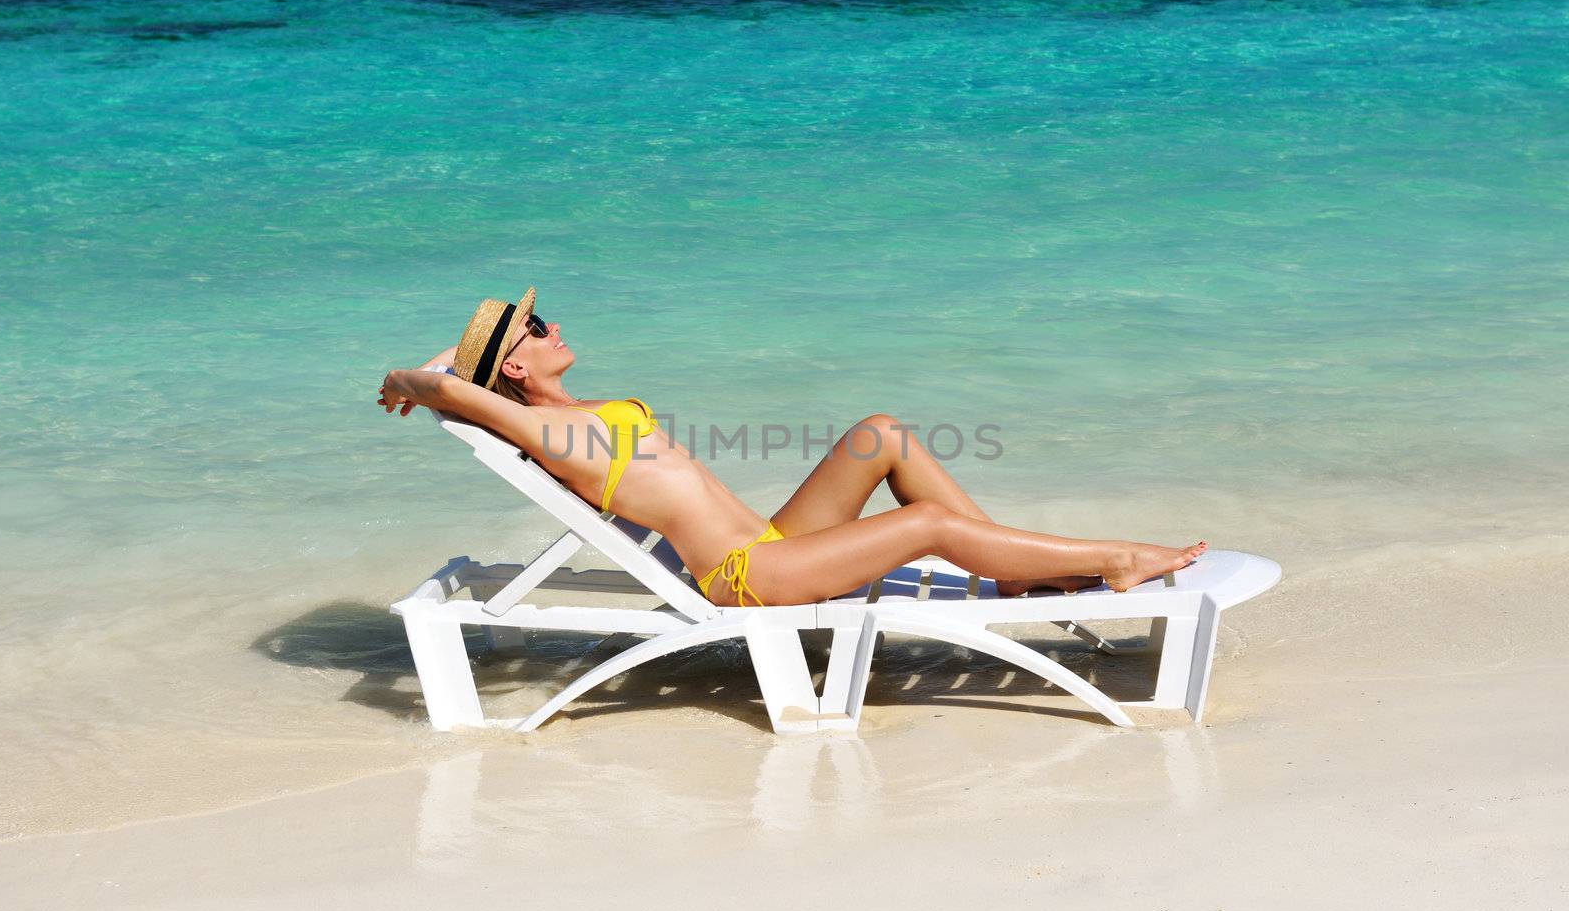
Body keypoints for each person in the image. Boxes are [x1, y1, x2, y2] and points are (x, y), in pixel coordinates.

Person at [378, 288, 1206, 608]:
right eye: (535, 326)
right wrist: (406, 379)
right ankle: (1115, 557)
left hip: (775, 544)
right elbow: (451, 386)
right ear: (515, 367)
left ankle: (1015, 568)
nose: (554, 324)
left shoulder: (576, 409)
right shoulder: (545, 429)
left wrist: (456, 365)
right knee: (924, 528)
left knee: (881, 434)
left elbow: (461, 375)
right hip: (747, 577)